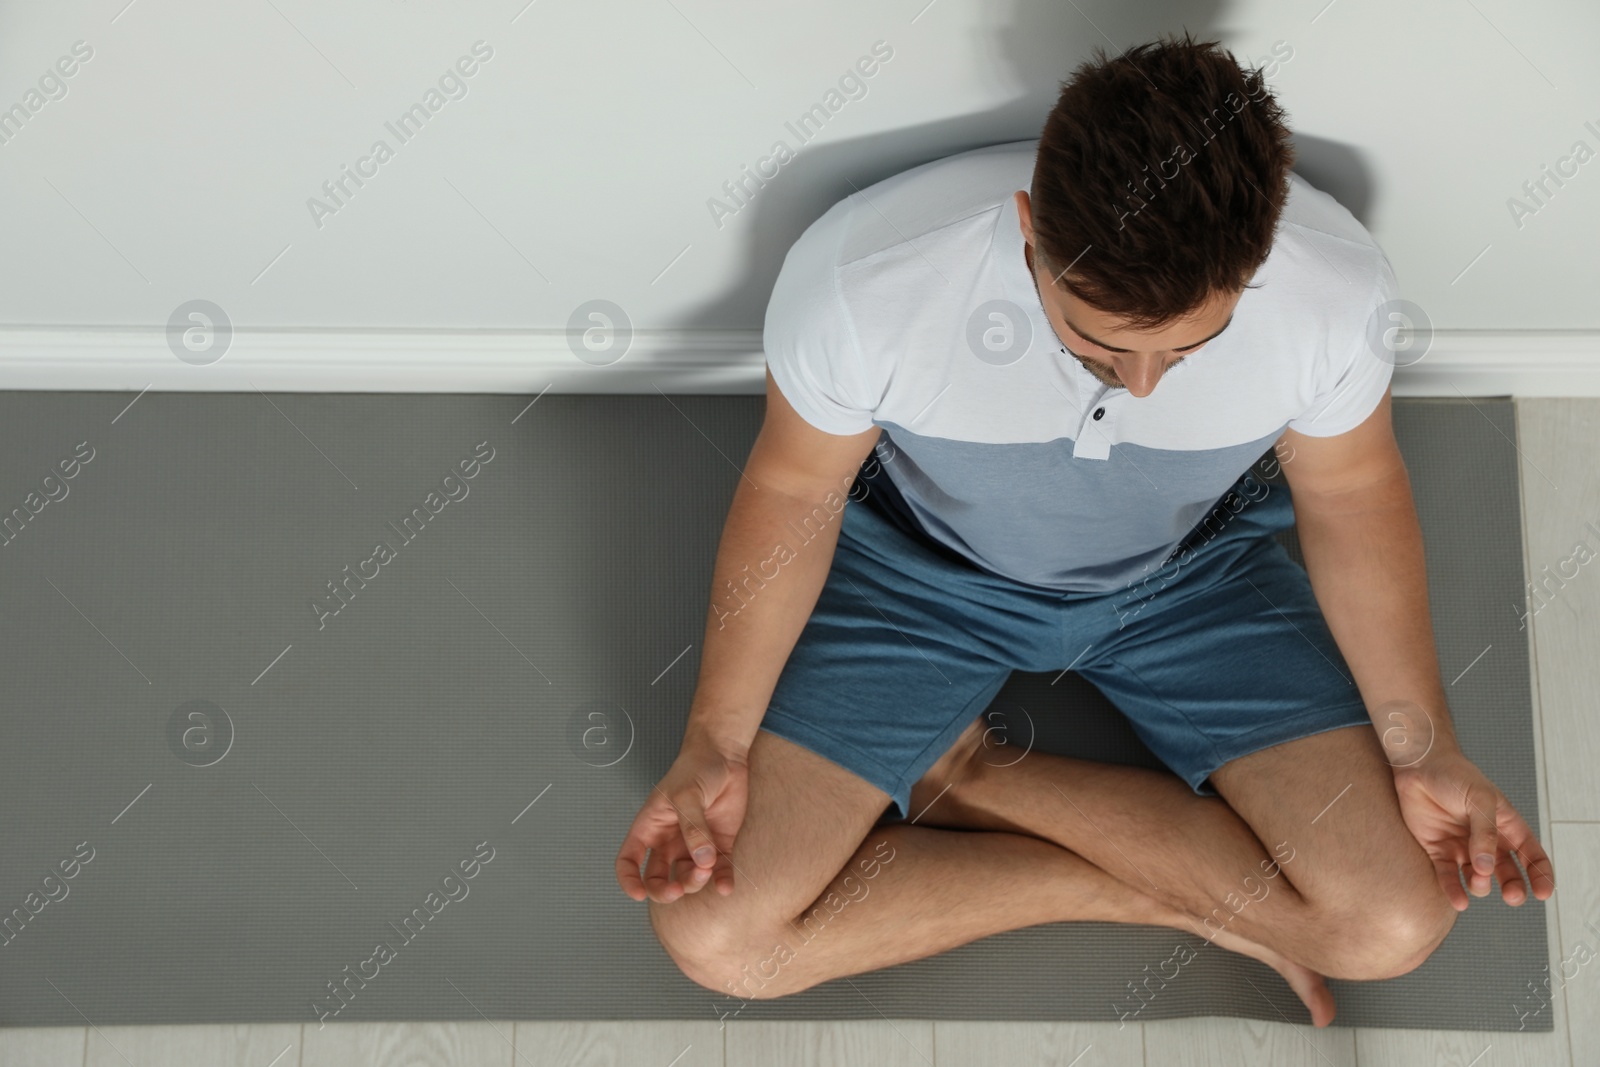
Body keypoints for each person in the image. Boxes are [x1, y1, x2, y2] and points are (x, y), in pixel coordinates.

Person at [614, 30, 1554, 1027]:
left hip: (1190, 581)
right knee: (720, 938)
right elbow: (793, 491)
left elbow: (1353, 496)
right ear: (1029, 228)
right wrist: (713, 741)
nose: (1143, 381)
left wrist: (1424, 745)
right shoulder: (863, 282)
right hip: (918, 579)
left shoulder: (1336, 290)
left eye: (1191, 346)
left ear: (1262, 250)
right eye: (1102, 343)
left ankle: (972, 771)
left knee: (1392, 924)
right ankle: (1159, 896)